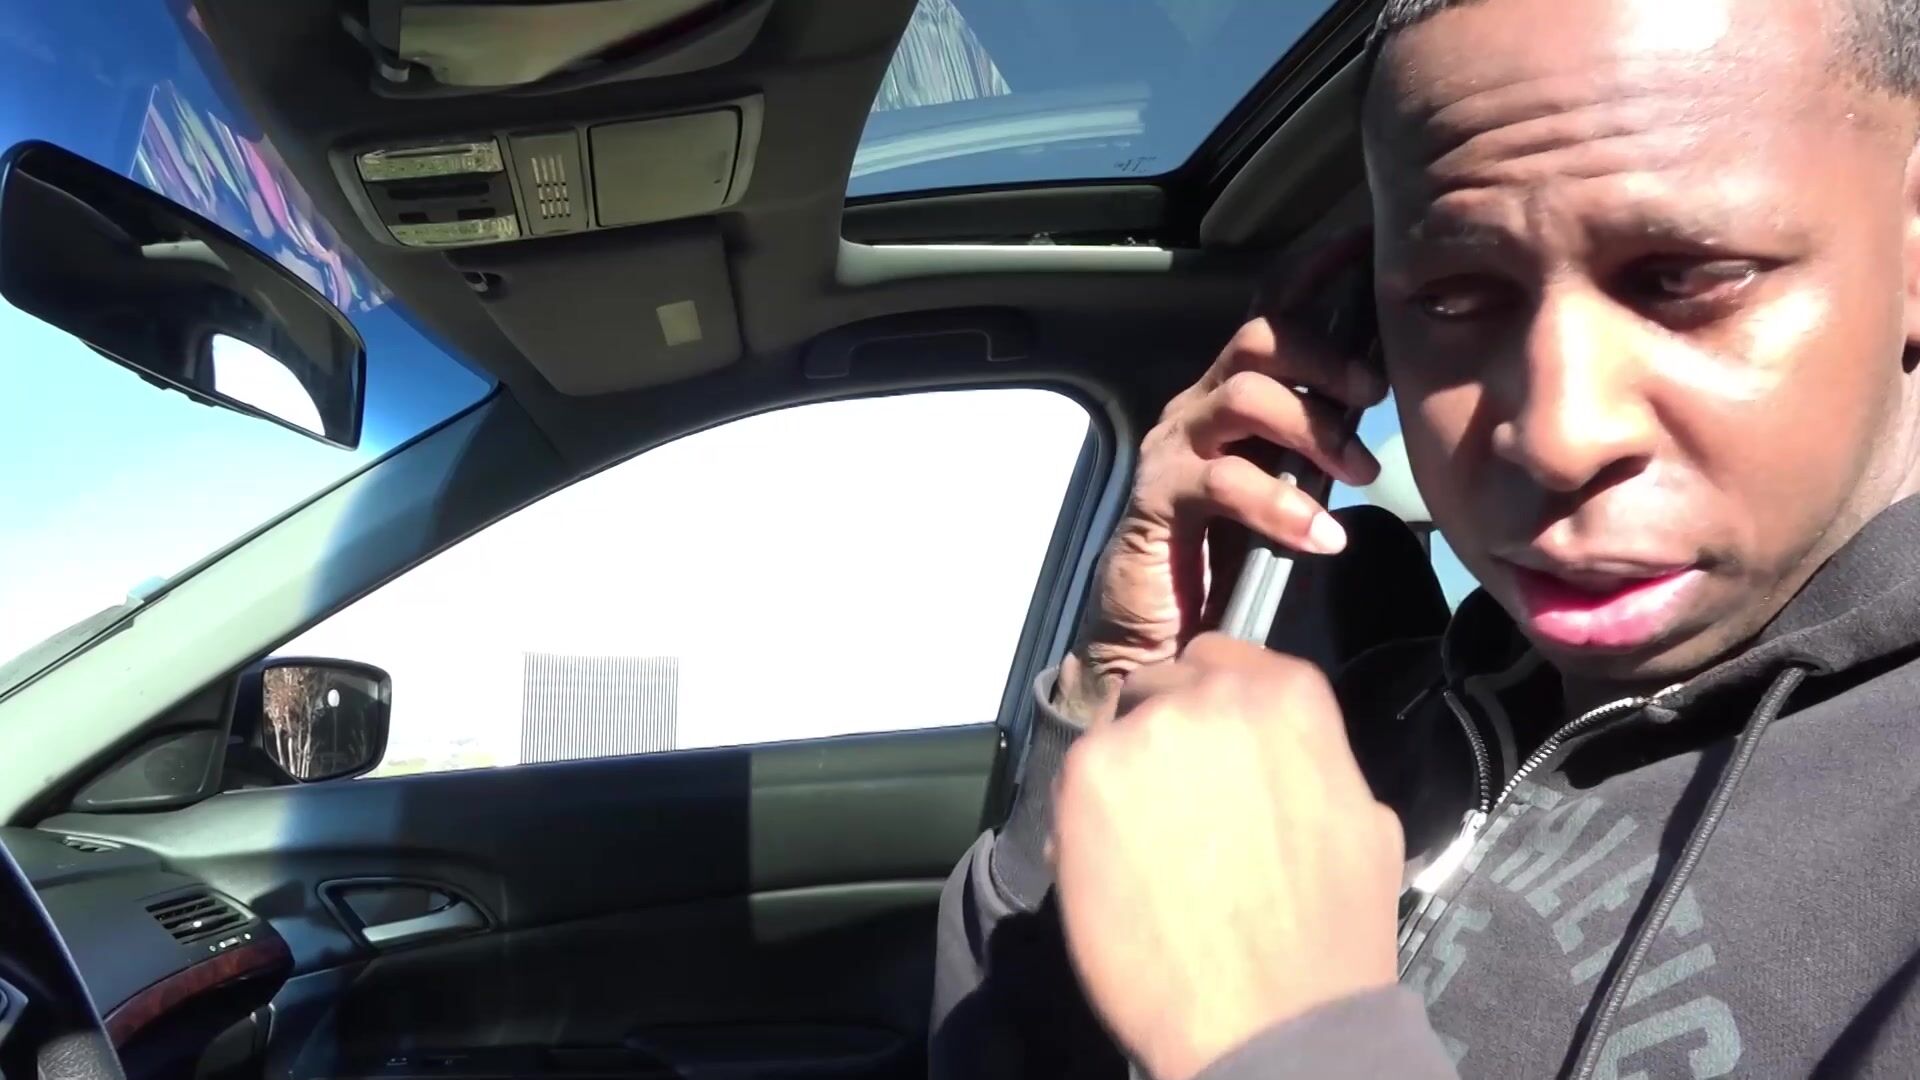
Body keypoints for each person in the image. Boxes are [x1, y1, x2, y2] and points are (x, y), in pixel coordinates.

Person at [929, 0, 1920, 1076]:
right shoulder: (1348, 728)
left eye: (1682, 277)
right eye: (1451, 298)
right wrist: (1122, 687)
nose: (1556, 437)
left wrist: (1293, 1046)